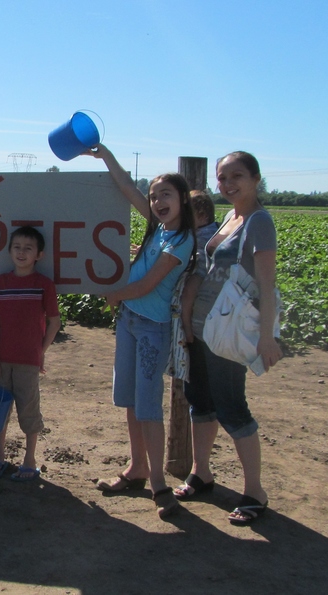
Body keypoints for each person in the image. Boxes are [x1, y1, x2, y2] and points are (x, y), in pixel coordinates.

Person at [86, 144, 196, 518]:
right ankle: (136, 469)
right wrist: (107, 158)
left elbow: (149, 284)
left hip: (151, 328)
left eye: (165, 194)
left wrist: (114, 295)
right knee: (131, 402)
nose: (157, 200)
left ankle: (159, 485)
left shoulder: (181, 240)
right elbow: (127, 188)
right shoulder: (157, 229)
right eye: (154, 196)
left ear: (182, 198)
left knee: (148, 407)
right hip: (130, 323)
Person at [174, 152, 282, 525]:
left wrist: (267, 338)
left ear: (255, 178)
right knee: (200, 401)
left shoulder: (258, 222)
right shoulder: (230, 218)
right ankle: (201, 472)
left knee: (232, 407)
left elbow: (266, 285)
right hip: (204, 329)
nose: (228, 183)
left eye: (237, 175)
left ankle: (255, 491)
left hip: (229, 332)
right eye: (222, 178)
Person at [0, 226, 61, 481]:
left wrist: (41, 351)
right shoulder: (0, 282)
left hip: (28, 361)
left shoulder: (43, 285)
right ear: (9, 251)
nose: (22, 252)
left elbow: (54, 322)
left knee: (29, 410)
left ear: (39, 254)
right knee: (0, 411)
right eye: (17, 247)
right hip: (1, 361)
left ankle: (29, 460)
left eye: (28, 248)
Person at [180, 190, 219, 343]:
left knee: (189, 291)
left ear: (203, 216)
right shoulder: (217, 228)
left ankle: (187, 328)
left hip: (202, 274)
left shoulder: (200, 236)